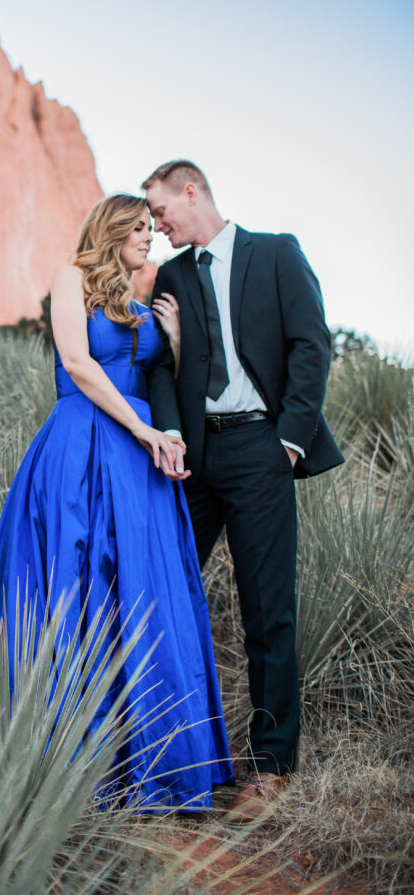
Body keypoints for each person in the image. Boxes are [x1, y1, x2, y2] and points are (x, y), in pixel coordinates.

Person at [0, 193, 232, 810]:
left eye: (153, 228)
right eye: (139, 227)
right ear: (111, 229)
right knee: (67, 585)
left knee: (142, 591)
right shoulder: (70, 279)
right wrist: (144, 429)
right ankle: (57, 760)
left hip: (137, 460)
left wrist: (173, 341)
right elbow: (77, 360)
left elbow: (163, 380)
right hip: (81, 444)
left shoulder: (141, 303)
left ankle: (150, 764)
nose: (149, 236)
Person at [143, 160, 344, 824]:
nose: (156, 224)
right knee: (167, 595)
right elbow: (162, 372)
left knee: (267, 610)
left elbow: (310, 346)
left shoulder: (275, 253)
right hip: (194, 460)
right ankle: (169, 757)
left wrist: (287, 441)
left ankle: (269, 768)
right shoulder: (168, 276)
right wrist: (169, 432)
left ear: (190, 191)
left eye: (160, 209)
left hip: (263, 450)